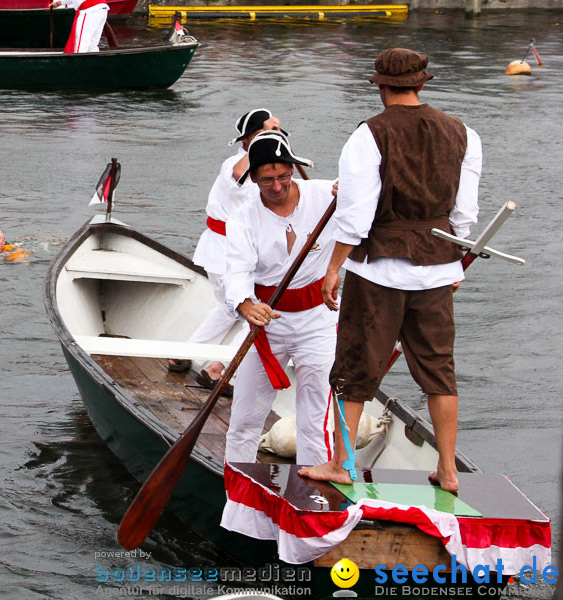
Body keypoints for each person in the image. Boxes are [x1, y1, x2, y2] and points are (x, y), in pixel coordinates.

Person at [299, 48, 481, 494]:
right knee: (439, 370)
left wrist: (333, 267)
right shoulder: (464, 133)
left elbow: (356, 215)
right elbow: (464, 215)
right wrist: (455, 264)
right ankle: (448, 471)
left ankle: (341, 464)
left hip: (379, 272)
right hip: (438, 268)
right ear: (422, 83)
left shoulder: (369, 135)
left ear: (380, 86)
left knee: (355, 367)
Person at [221, 130, 337, 467]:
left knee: (315, 421)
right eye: (267, 179)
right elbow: (237, 272)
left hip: (318, 321)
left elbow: (370, 194)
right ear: (254, 178)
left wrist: (354, 190)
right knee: (244, 419)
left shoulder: (326, 195)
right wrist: (245, 305)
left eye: (283, 176)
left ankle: (315, 497)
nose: (276, 186)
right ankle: (236, 491)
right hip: (266, 326)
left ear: (292, 169)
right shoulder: (243, 217)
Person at [181, 109, 282, 380]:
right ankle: (219, 368)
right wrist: (266, 140)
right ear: (248, 140)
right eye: (265, 132)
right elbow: (240, 174)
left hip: (240, 251)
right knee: (256, 308)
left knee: (229, 309)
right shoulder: (235, 163)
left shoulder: (269, 169)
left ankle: (186, 353)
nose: (275, 136)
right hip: (225, 251)